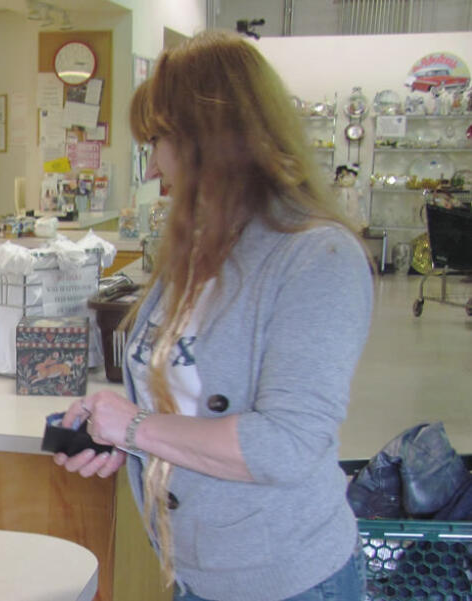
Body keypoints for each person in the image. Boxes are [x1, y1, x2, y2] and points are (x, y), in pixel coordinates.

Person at [54, 31, 373, 601]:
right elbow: (184, 397)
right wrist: (124, 436)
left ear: (209, 139)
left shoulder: (317, 258)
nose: (152, 168)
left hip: (285, 580)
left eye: (157, 141)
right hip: (196, 571)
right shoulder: (202, 245)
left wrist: (134, 427)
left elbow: (285, 444)